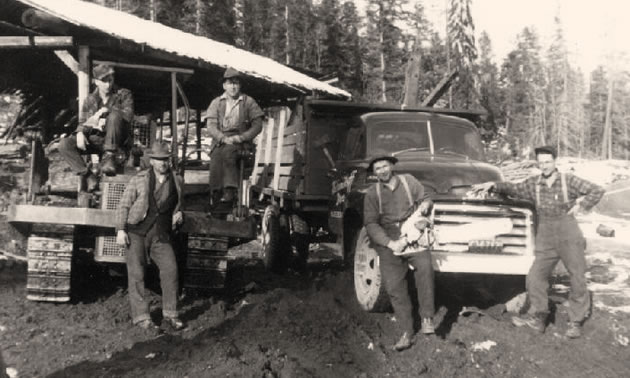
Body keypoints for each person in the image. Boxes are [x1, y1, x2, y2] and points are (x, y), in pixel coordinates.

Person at [471, 145, 604, 339]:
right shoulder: (534, 183)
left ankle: (575, 321)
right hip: (545, 234)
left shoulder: (569, 181)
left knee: (577, 277)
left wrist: (581, 206)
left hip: (568, 233)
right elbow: (513, 188)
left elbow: (597, 190)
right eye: (541, 163)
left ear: (554, 161)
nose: (545, 166)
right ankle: (539, 317)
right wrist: (492, 185)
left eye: (548, 162)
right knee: (534, 277)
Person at [363, 155, 436, 351]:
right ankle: (407, 332)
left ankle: (427, 317)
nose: (382, 171)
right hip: (389, 237)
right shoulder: (372, 193)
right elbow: (371, 224)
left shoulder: (409, 181)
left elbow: (426, 198)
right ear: (374, 173)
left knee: (425, 268)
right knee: (394, 286)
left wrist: (424, 209)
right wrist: (389, 243)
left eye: (385, 166)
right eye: (377, 169)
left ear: (392, 166)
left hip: (413, 233)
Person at [115, 141, 185, 331]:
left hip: (160, 235)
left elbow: (178, 203)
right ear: (152, 161)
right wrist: (121, 229)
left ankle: (171, 314)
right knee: (137, 273)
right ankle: (142, 317)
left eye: (165, 159)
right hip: (137, 232)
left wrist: (178, 213)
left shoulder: (177, 180)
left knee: (170, 270)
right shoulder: (140, 179)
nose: (163, 163)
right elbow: (123, 205)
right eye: (159, 160)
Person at [59, 63, 134, 191]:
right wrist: (80, 133)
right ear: (96, 82)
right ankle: (88, 176)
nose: (108, 84)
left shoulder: (124, 95)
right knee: (64, 144)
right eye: (104, 81)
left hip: (117, 140)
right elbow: (83, 121)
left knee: (114, 116)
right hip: (97, 140)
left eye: (110, 80)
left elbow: (128, 115)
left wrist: (104, 113)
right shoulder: (90, 100)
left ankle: (109, 157)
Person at [205, 67, 264, 209]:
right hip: (221, 140)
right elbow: (211, 125)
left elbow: (258, 125)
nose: (233, 87)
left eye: (236, 83)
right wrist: (222, 138)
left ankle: (229, 191)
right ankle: (216, 193)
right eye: (230, 83)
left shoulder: (248, 102)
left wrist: (242, 137)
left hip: (240, 142)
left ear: (240, 85)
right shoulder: (216, 103)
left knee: (228, 152)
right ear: (224, 85)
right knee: (216, 155)